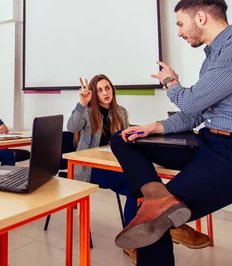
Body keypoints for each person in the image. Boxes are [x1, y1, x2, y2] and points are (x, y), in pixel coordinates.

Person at [110, 0, 232, 266]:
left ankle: (160, 209)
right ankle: (159, 197)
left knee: (152, 222)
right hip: (211, 142)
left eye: (180, 23)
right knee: (122, 138)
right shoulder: (214, 57)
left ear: (200, 17)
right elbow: (196, 114)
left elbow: (192, 101)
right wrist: (154, 127)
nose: (179, 32)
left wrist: (171, 82)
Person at [67, 75, 211, 264]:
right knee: (136, 183)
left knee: (135, 187)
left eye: (107, 88)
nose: (105, 93)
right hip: (90, 168)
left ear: (112, 90)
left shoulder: (120, 112)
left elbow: (126, 141)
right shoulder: (87, 112)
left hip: (114, 164)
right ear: (93, 94)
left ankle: (145, 234)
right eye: (100, 90)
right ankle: (163, 229)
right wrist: (81, 104)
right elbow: (71, 127)